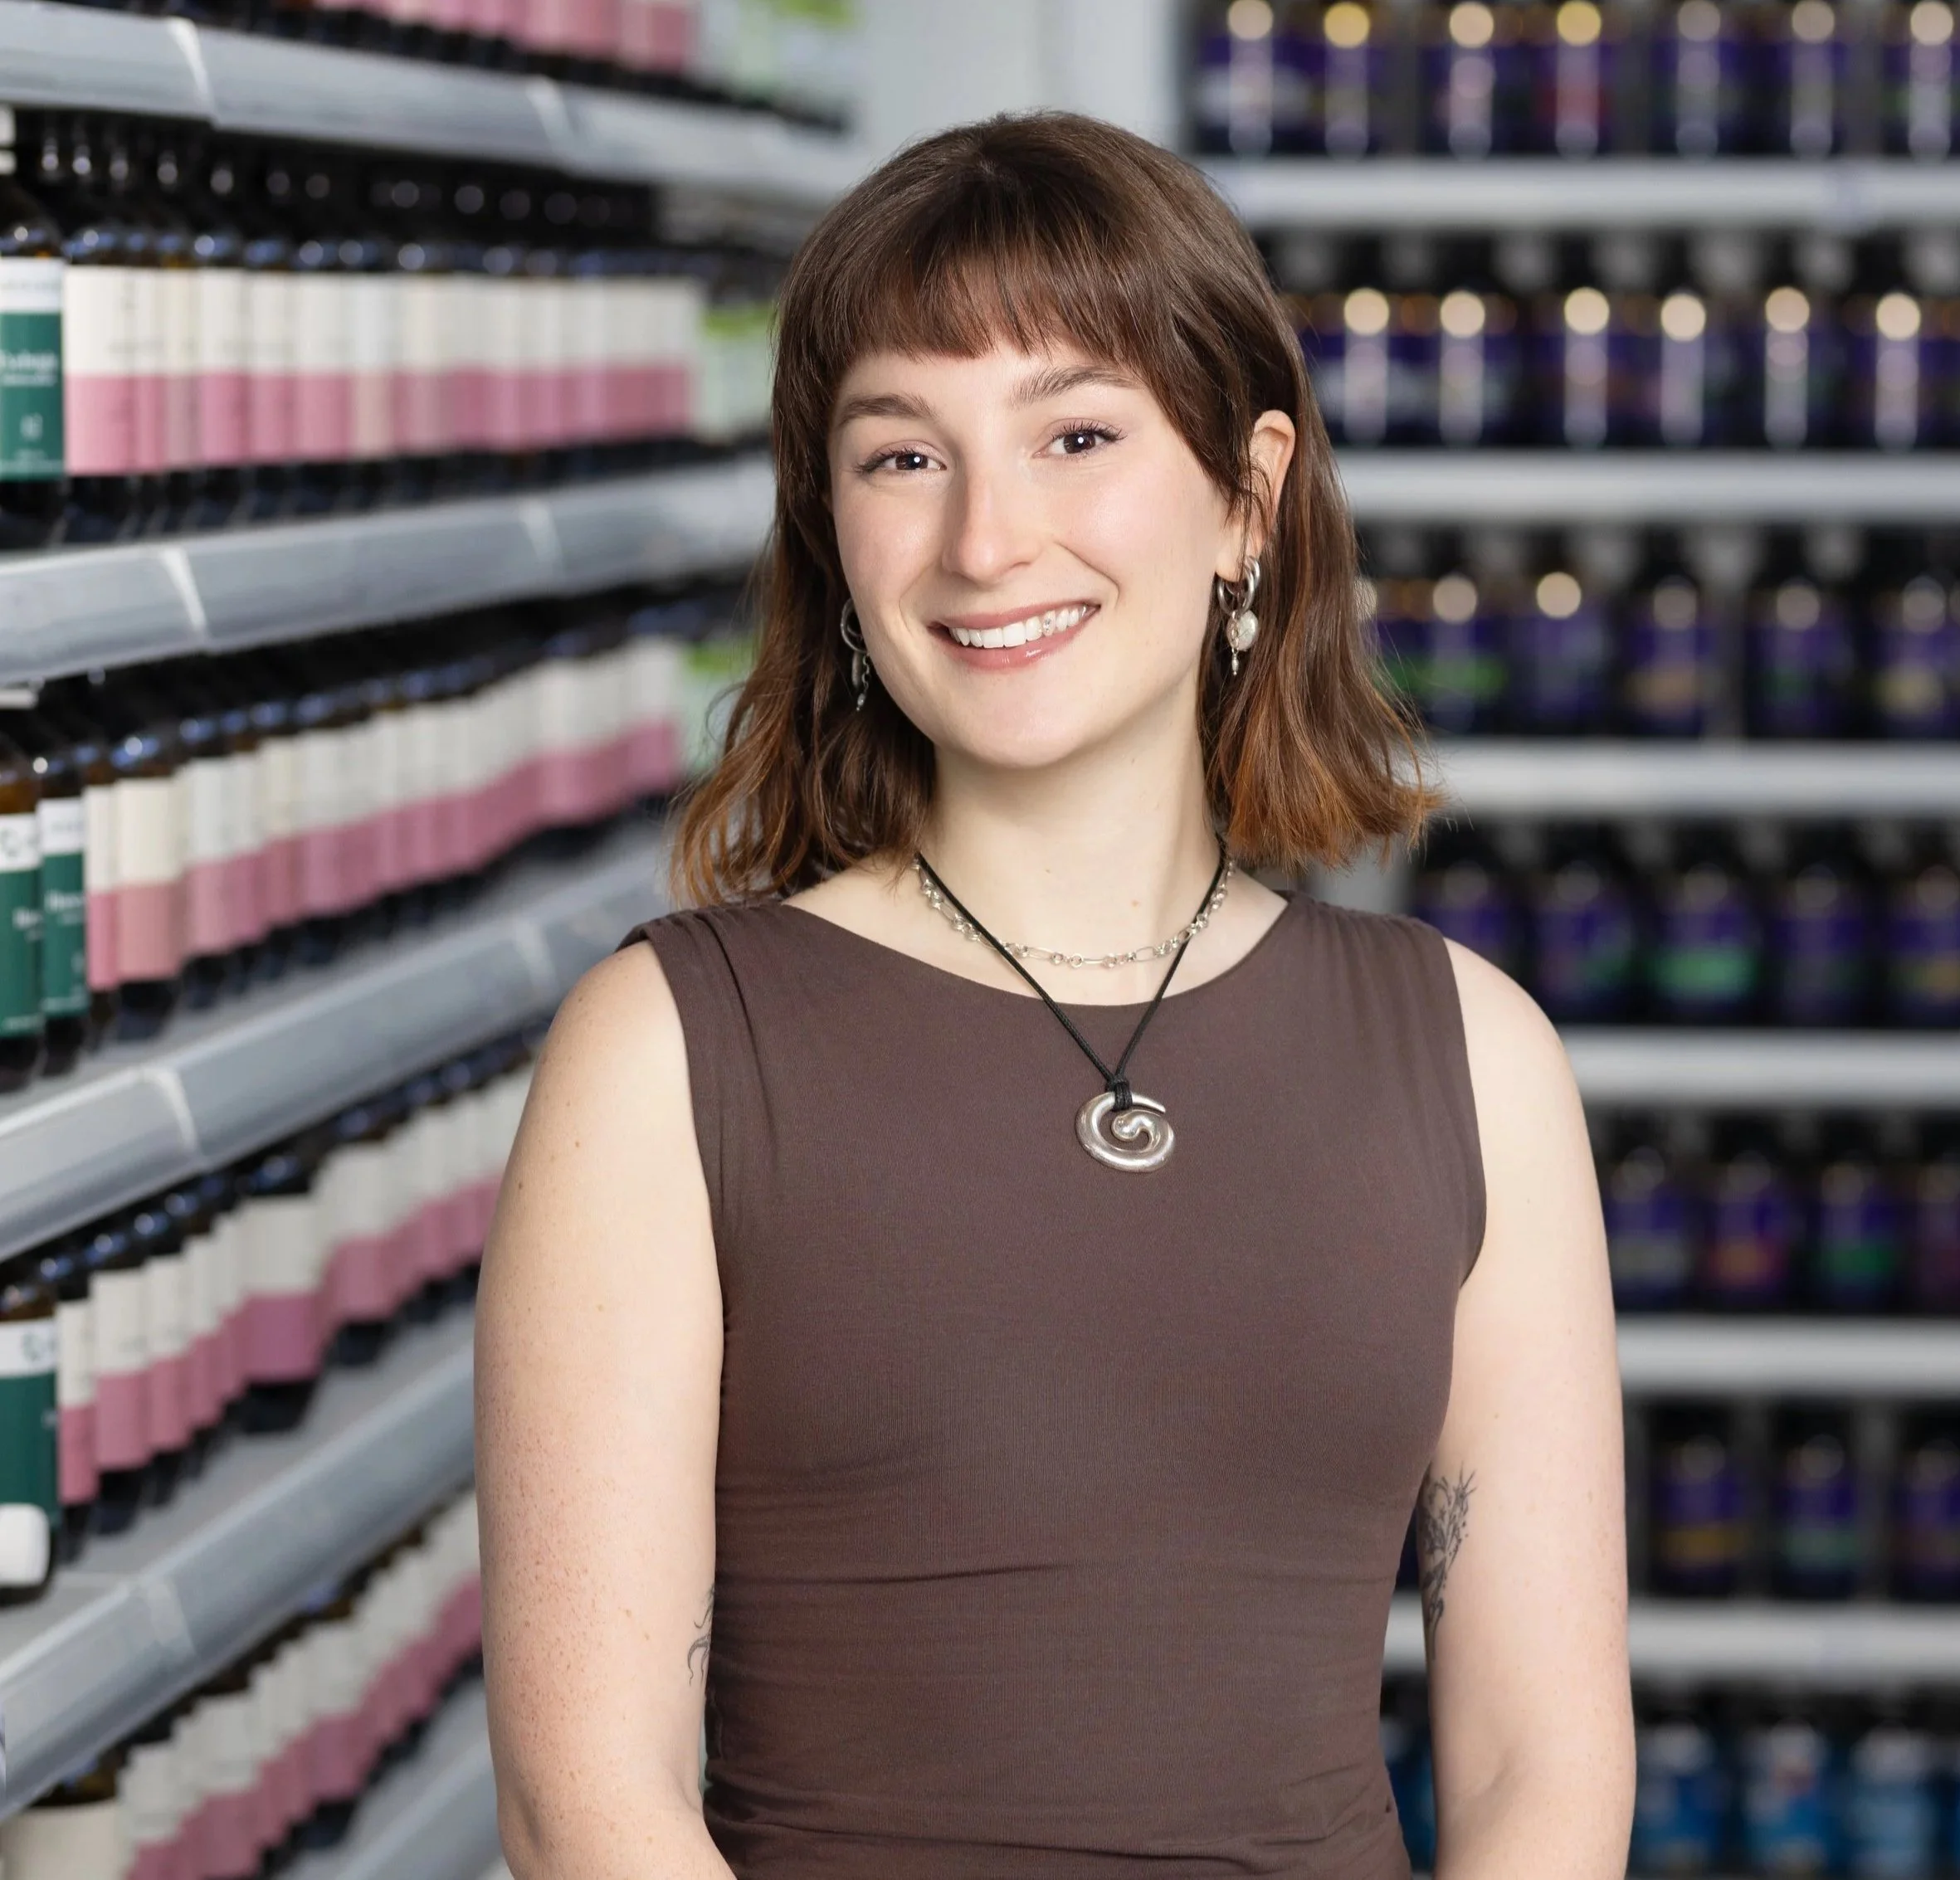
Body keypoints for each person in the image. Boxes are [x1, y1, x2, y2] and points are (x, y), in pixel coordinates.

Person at [475, 111, 1631, 1879]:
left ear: (1245, 497)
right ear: (832, 536)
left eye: (1073, 432)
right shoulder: (668, 1054)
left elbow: (1534, 1772)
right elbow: (585, 1803)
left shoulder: (1472, 1056)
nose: (985, 540)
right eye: (899, 456)